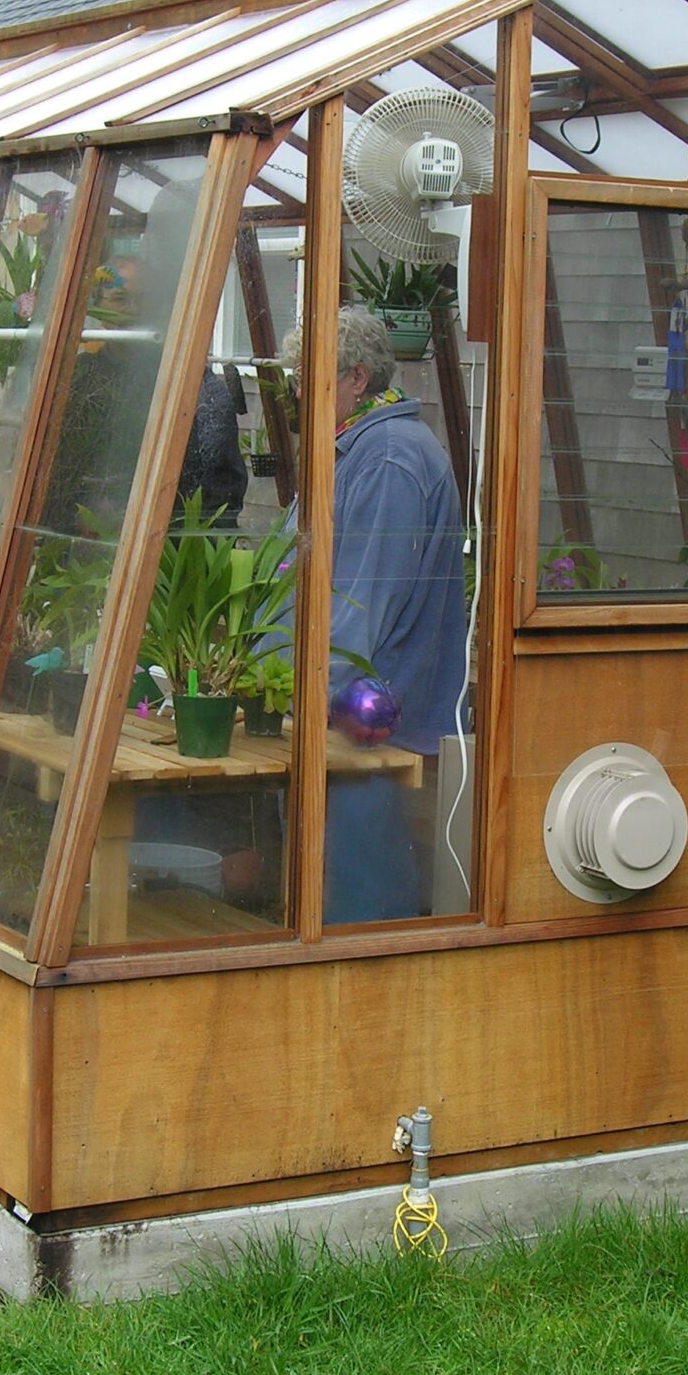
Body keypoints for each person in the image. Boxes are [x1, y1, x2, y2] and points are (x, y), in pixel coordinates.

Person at [282, 307, 470, 923]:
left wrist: (286, 689)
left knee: (358, 917)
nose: (298, 393)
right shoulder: (355, 450)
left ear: (356, 379)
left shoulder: (388, 460)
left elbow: (360, 612)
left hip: (371, 732)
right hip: (345, 727)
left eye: (309, 378)